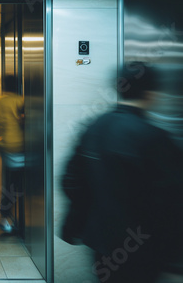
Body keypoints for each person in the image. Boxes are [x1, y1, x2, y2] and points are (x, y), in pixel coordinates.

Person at [62, 62, 183, 283]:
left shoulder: (95, 127)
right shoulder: (155, 138)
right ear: (150, 93)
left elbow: (70, 180)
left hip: (100, 241)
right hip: (143, 247)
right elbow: (169, 201)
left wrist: (87, 216)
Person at [0, 75, 25, 234]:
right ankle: (18, 218)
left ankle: (5, 217)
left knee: (10, 184)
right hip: (21, 147)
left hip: (5, 146)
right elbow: (24, 122)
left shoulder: (2, 101)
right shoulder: (21, 101)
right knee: (20, 184)